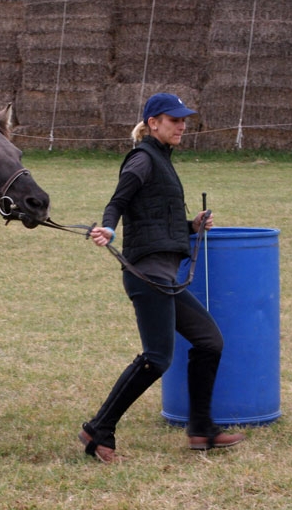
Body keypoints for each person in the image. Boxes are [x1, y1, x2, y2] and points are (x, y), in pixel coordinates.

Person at [78, 92, 246, 463]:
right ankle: (98, 429)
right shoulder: (142, 158)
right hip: (146, 274)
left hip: (163, 275)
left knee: (209, 341)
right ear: (153, 123)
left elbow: (157, 218)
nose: (182, 125)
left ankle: (201, 428)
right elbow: (118, 202)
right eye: (174, 120)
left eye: (184, 120)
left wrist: (191, 224)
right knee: (157, 357)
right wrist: (107, 228)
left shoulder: (164, 161)